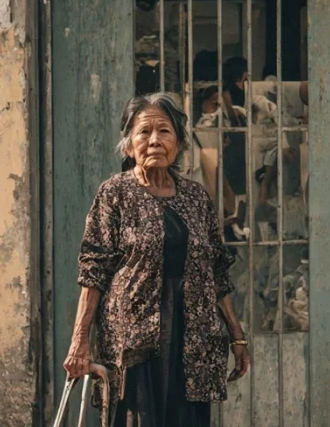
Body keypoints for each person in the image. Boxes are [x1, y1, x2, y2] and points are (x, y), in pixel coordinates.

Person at [64, 93, 251, 426]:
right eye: (143, 132)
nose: (154, 141)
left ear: (178, 142)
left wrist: (236, 335)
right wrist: (80, 341)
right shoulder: (115, 194)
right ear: (128, 145)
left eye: (164, 131)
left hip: (193, 336)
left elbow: (217, 272)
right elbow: (94, 272)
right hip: (134, 338)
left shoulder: (195, 197)